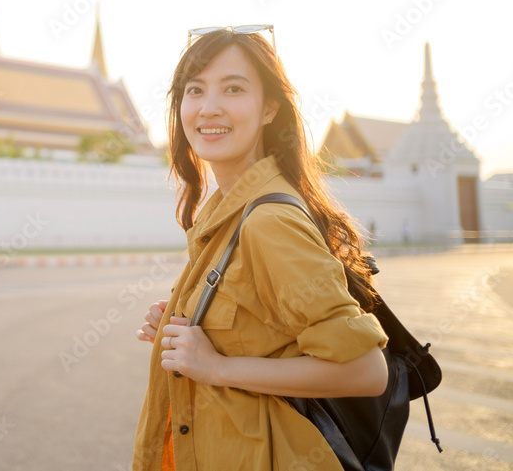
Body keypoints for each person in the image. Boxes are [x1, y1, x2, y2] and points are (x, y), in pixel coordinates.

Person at [130, 26, 389, 471]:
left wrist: (215, 368)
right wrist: (194, 322)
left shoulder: (268, 222)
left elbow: (366, 371)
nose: (209, 108)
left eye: (232, 88)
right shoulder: (228, 213)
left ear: (269, 107)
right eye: (195, 90)